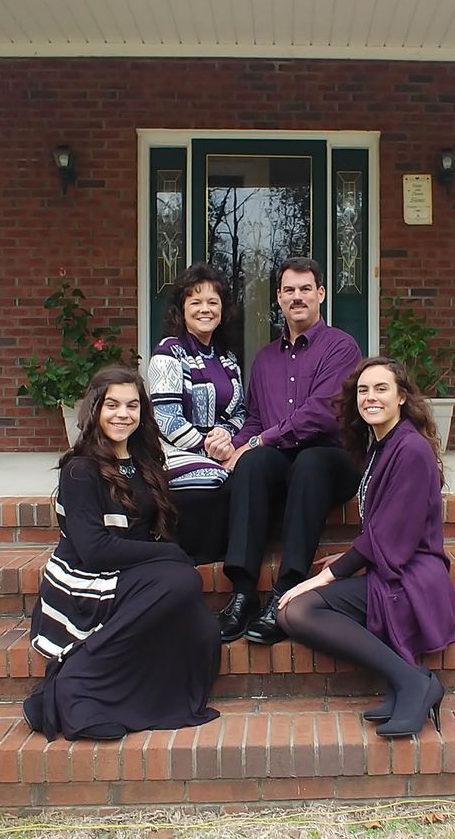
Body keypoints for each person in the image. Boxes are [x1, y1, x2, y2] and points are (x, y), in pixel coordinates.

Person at [25, 366, 221, 741]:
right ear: (95, 409)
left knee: (203, 629)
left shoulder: (145, 461)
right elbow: (95, 551)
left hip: (126, 570)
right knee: (181, 576)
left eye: (132, 405)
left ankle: (137, 706)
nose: (123, 414)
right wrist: (170, 557)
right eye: (112, 404)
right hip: (85, 578)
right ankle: (71, 684)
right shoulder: (80, 470)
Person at [276, 357, 455, 737]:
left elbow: (392, 534)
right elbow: (386, 527)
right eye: (363, 390)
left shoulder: (409, 450)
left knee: (299, 609)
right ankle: (408, 681)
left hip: (415, 578)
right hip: (397, 566)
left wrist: (322, 578)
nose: (370, 397)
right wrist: (350, 557)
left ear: (401, 398)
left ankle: (412, 682)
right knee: (296, 610)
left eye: (381, 389)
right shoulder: (381, 445)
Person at [217, 256, 362, 645]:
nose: (297, 297)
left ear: (321, 294)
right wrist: (233, 448)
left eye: (305, 289)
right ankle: (244, 592)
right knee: (253, 462)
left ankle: (287, 590)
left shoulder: (341, 348)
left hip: (332, 459)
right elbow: (253, 419)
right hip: (285, 460)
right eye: (289, 290)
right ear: (279, 298)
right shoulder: (265, 359)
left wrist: (260, 440)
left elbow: (323, 414)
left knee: (308, 461)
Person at [147, 264, 245, 564]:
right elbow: (167, 418)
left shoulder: (228, 360)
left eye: (213, 302)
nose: (206, 309)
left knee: (254, 474)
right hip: (171, 449)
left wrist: (227, 436)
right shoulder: (169, 353)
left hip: (221, 448)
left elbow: (240, 411)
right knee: (213, 479)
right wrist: (209, 447)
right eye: (196, 302)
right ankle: (197, 558)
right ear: (182, 308)